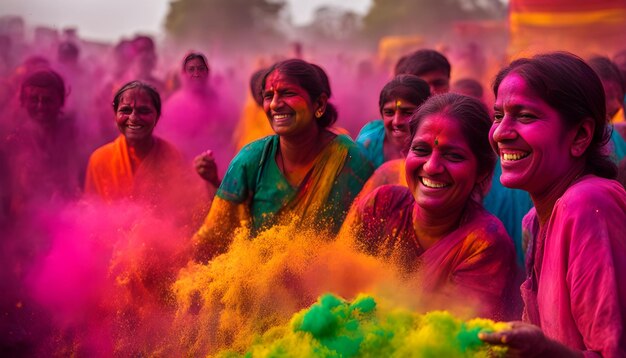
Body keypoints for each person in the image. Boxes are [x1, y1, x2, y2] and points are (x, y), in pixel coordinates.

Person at [479, 52, 626, 356]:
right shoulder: (534, 219)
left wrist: (544, 351)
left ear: (580, 136)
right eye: (497, 116)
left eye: (525, 116)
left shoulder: (586, 204)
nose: (501, 133)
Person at [343, 93, 517, 320]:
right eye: (421, 150)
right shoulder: (381, 205)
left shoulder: (484, 244)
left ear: (482, 171)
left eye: (453, 155)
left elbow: (449, 339)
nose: (432, 166)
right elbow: (336, 283)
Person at [193, 59, 374, 260]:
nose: (275, 104)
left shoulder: (347, 159)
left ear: (320, 104)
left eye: (288, 93)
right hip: (256, 284)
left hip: (329, 285)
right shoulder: (250, 159)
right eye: (268, 96)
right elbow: (214, 237)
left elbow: (366, 242)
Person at [84, 81, 208, 224]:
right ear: (115, 115)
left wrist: (209, 180)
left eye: (144, 111)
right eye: (125, 110)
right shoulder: (99, 160)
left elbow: (186, 215)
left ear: (157, 117)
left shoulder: (172, 157)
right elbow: (90, 217)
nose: (134, 118)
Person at [156, 52, 235, 171]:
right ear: (183, 74)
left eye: (201, 69)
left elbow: (228, 134)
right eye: (191, 70)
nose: (196, 74)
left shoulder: (219, 100)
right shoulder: (174, 104)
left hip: (217, 165)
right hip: (184, 167)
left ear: (207, 72)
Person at [355, 75, 430, 169]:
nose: (397, 122)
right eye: (389, 113)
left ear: (426, 114)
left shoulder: (437, 146)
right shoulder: (366, 146)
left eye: (408, 113)